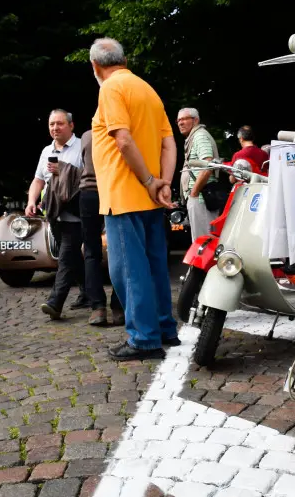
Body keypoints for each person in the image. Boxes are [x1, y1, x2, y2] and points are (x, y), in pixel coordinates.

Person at [90, 37, 179, 361]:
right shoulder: (148, 90)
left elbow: (123, 139)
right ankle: (164, 328)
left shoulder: (111, 89)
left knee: (128, 271)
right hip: (152, 198)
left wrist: (148, 180)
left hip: (124, 194)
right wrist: (163, 182)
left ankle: (143, 338)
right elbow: (168, 143)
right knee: (155, 267)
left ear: (95, 66)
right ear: (123, 59)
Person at [25, 109, 88, 319]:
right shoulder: (46, 151)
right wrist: (31, 201)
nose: (55, 128)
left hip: (75, 212)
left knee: (65, 256)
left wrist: (64, 170)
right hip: (53, 212)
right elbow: (38, 180)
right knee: (70, 255)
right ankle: (87, 292)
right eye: (52, 124)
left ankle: (55, 302)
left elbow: (91, 177)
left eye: (59, 124)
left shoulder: (82, 146)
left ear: (71, 125)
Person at [79, 129, 124, 326]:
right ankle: (118, 306)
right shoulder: (119, 132)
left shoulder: (87, 136)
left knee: (91, 252)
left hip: (88, 192)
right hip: (114, 190)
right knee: (118, 249)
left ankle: (97, 308)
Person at [177, 107, 220, 241]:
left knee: (203, 241)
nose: (180, 123)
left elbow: (208, 164)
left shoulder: (199, 136)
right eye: (178, 120)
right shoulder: (195, 136)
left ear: (195, 120)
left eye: (184, 119)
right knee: (202, 240)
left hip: (201, 198)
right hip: (200, 196)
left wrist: (194, 192)